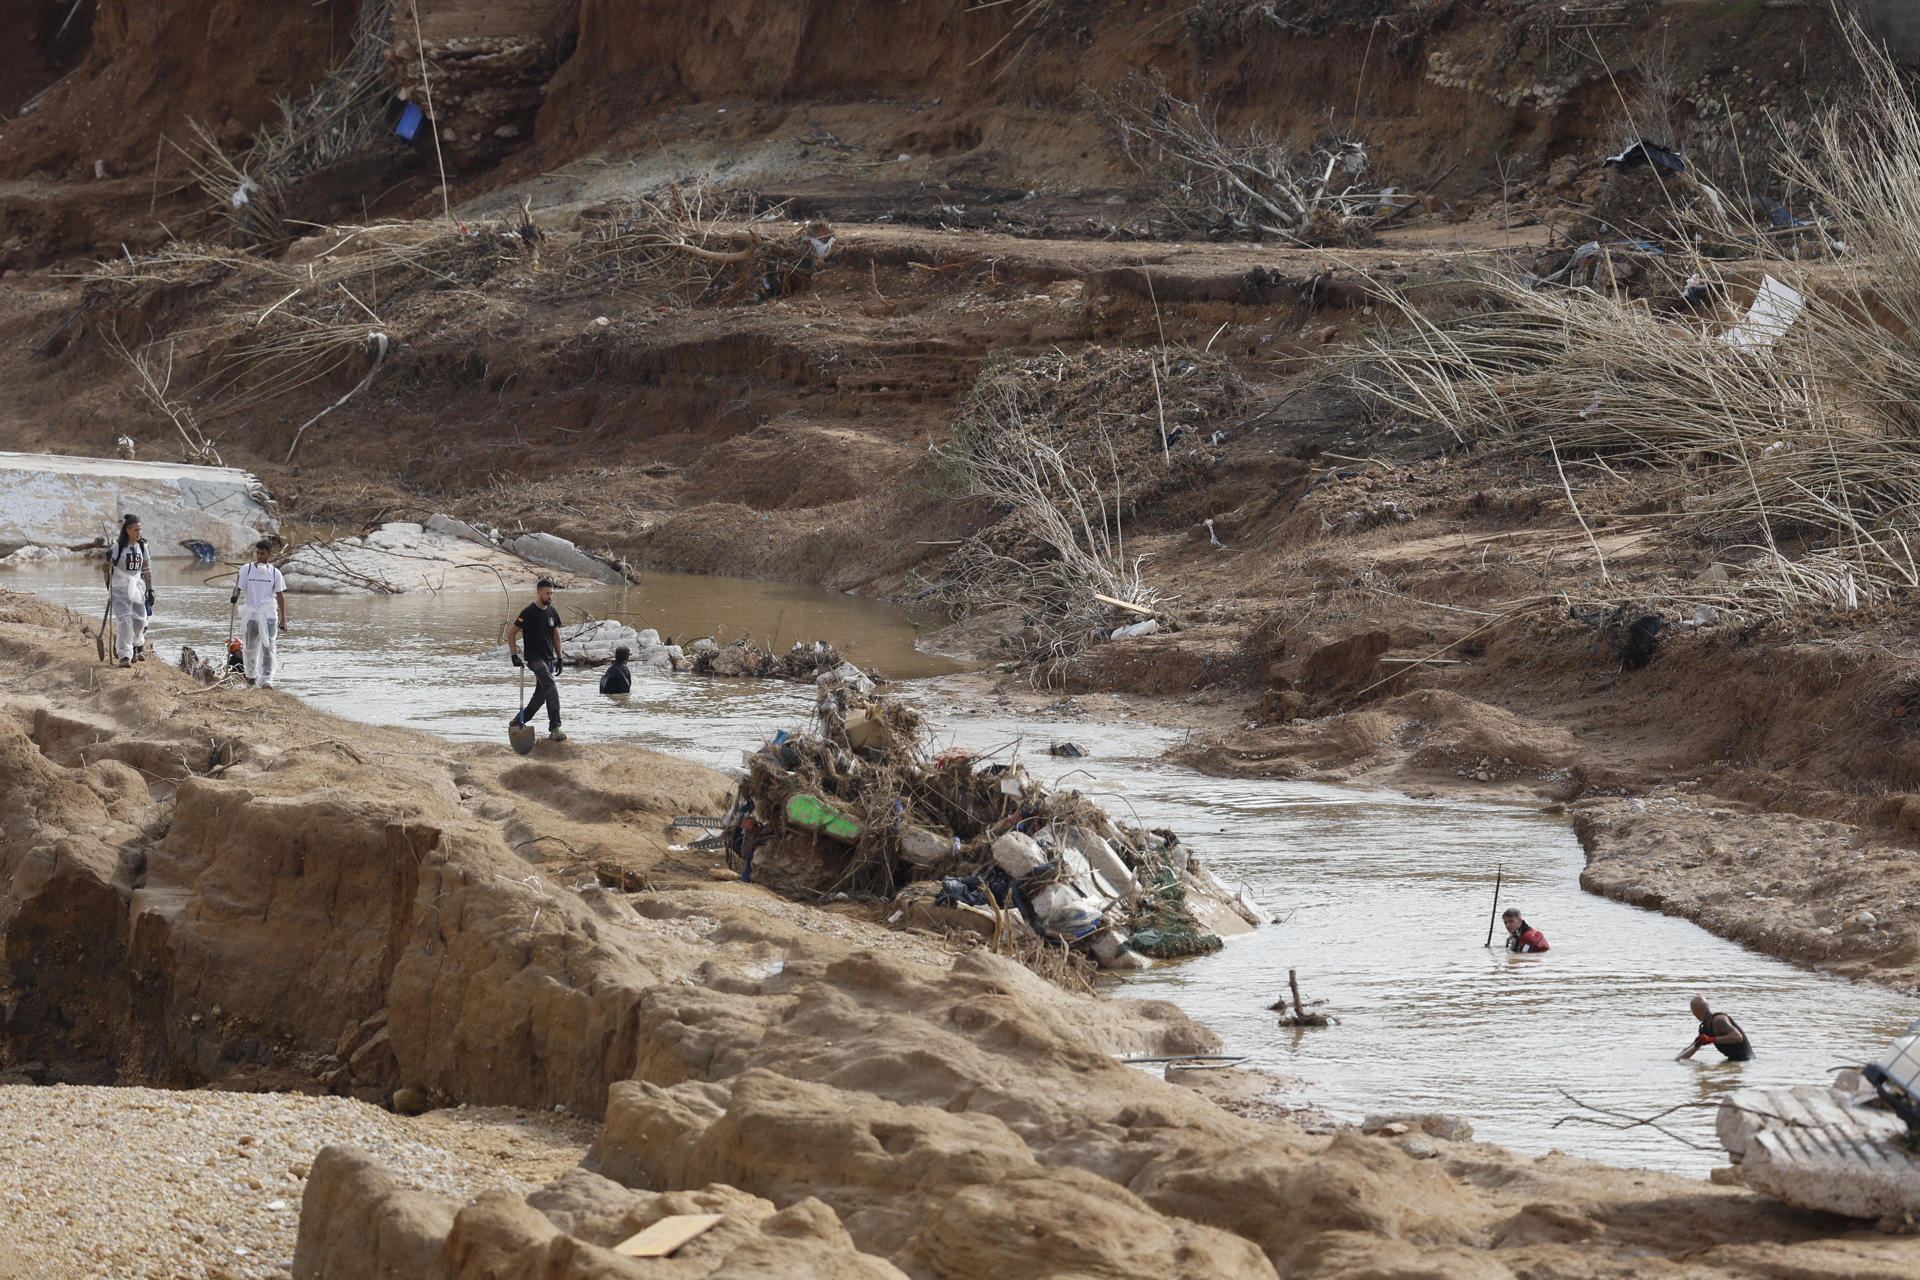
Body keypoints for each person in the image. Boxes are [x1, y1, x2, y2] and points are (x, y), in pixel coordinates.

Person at [507, 578, 567, 742]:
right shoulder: (528, 612)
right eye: (547, 593)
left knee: (540, 697)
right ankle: (555, 728)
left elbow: (556, 635)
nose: (550, 596)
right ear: (539, 592)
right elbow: (511, 633)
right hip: (534, 659)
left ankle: (517, 721)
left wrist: (560, 657)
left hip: (548, 660)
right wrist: (514, 655)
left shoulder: (552, 612)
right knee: (552, 688)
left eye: (552, 593)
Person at [231, 540, 288, 687]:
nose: (259, 556)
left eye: (262, 553)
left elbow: (280, 596)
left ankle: (267, 679)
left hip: (268, 615)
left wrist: (284, 619)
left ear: (269, 554)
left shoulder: (275, 573)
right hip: (251, 614)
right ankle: (251, 676)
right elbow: (239, 587)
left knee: (268, 647)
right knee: (250, 647)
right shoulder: (247, 569)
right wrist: (235, 597)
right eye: (257, 553)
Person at [103, 514, 153, 667]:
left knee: (139, 622)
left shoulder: (142, 547)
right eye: (136, 530)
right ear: (128, 531)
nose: (139, 533)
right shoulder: (117, 547)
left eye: (140, 529)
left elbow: (147, 570)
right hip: (119, 588)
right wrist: (107, 562)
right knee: (125, 620)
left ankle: (126, 642)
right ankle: (124, 656)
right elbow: (106, 569)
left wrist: (151, 590)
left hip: (137, 587)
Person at [1682, 996, 1753, 1061]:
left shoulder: (1718, 1020)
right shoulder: (1705, 1028)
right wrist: (1675, 1061)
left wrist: (1711, 1039)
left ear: (1694, 1012)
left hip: (1745, 1060)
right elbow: (1692, 1048)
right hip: (1732, 1060)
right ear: (1708, 1006)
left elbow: (1738, 1037)